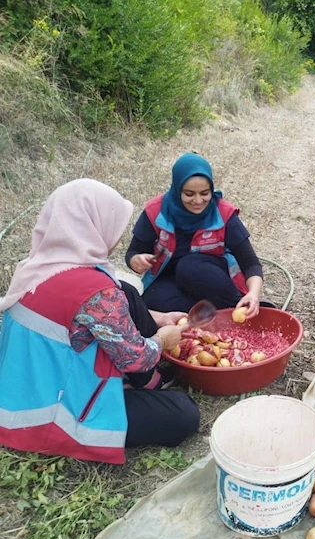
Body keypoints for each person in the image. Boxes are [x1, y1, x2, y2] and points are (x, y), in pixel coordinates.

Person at [0, 179, 200, 464]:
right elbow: (137, 359)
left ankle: (145, 385)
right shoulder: (96, 293)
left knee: (127, 290)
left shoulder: (39, 266)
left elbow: (97, 317)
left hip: (23, 390)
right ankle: (142, 387)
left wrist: (160, 317)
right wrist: (163, 339)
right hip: (53, 413)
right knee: (184, 413)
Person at [126, 153, 266, 316]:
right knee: (150, 301)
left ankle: (238, 308)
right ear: (177, 189)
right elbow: (132, 253)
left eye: (205, 193)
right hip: (171, 280)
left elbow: (251, 263)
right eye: (189, 194)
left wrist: (253, 294)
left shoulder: (223, 213)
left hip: (212, 279)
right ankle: (212, 317)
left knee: (189, 267)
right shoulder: (155, 212)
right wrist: (136, 260)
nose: (198, 201)